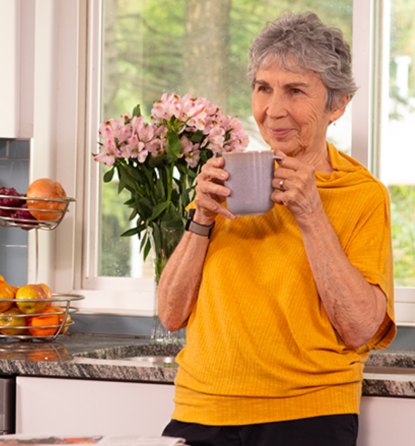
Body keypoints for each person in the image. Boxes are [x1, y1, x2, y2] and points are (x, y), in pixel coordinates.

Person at [158, 11, 395, 446]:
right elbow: (171, 314)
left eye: (295, 91)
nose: (273, 110)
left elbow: (361, 328)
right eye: (263, 88)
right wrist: (201, 219)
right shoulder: (226, 181)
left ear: (337, 104)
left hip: (307, 416)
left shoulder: (361, 194)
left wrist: (311, 214)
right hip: (201, 409)